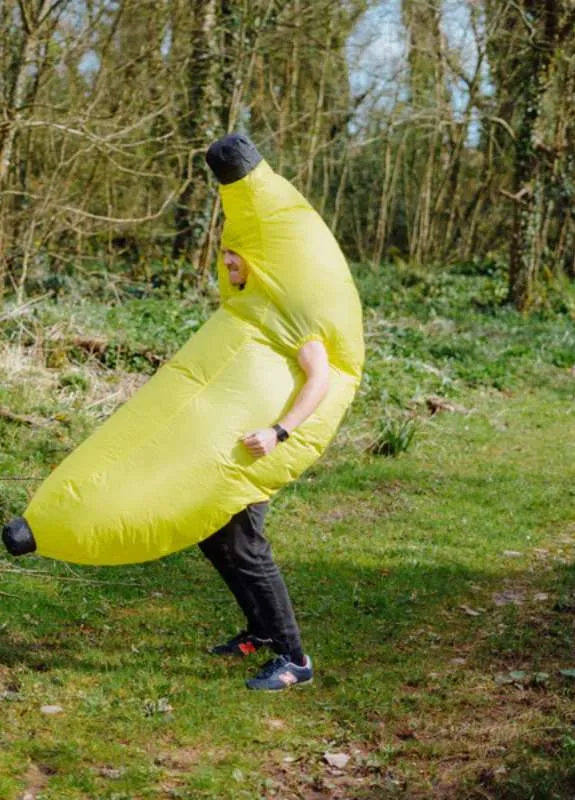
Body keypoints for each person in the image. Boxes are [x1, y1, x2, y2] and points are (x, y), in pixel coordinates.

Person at [200, 139, 333, 690]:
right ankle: (258, 630)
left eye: (233, 255)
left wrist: (280, 431)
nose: (225, 260)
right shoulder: (247, 302)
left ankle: (295, 659)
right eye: (225, 252)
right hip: (242, 435)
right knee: (212, 533)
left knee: (244, 544)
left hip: (269, 438)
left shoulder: (284, 304)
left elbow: (319, 374)